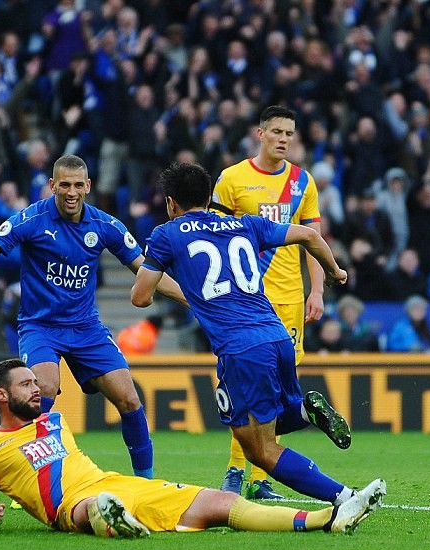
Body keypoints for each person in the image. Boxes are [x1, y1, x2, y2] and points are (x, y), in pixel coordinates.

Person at [131, 161, 370, 512]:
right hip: (277, 336)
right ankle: (305, 412)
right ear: (210, 197)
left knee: (258, 448)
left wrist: (183, 289)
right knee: (261, 428)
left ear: (170, 203)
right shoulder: (246, 224)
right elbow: (309, 235)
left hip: (241, 349)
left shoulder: (167, 235)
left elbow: (140, 297)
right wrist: (335, 270)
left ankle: (344, 498)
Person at [0, 155, 186, 479]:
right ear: (52, 185)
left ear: (89, 187)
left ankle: (146, 483)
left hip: (85, 327)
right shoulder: (31, 220)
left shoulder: (105, 226)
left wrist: (195, 301)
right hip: (40, 327)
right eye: (64, 184)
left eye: (78, 185)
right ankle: (38, 481)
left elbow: (148, 271)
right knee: (45, 388)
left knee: (130, 399)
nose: (71, 192)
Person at [0, 359, 384, 538]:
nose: (38, 388)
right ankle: (108, 517)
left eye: (35, 382)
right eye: (27, 384)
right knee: (86, 509)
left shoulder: (55, 421)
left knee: (222, 503)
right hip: (70, 506)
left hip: (117, 484)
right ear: (2, 395)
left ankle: (327, 519)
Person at [209, 105, 325, 500]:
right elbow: (212, 237)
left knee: (273, 393)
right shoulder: (232, 179)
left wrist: (319, 289)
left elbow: (314, 240)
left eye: (289, 133)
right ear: (259, 134)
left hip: (290, 298)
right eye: (276, 131)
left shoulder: (302, 183)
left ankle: (259, 478)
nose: (283, 139)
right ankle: (233, 470)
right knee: (243, 385)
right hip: (244, 301)